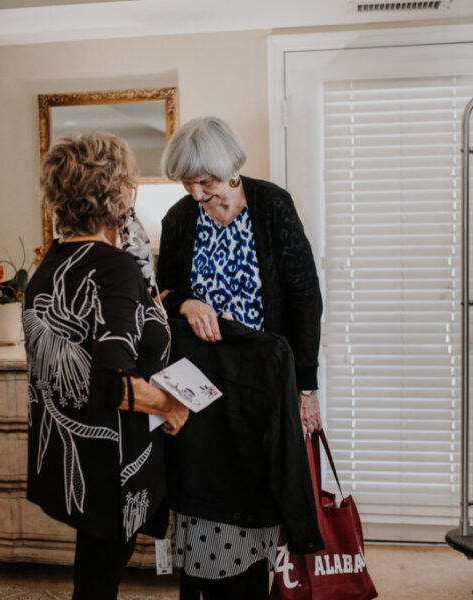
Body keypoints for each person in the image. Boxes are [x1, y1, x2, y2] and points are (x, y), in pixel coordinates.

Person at [157, 116, 324, 599]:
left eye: (205, 182)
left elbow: (305, 299)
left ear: (229, 168)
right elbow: (162, 297)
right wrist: (185, 303)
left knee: (256, 505)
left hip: (261, 389)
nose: (197, 194)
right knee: (203, 506)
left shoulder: (272, 206)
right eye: (188, 183)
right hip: (200, 389)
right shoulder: (180, 219)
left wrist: (305, 389)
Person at [23, 131, 189, 600]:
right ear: (118, 192)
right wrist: (171, 405)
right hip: (112, 456)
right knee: (98, 583)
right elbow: (109, 383)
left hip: (76, 452)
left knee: (93, 573)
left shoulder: (51, 264)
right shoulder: (111, 266)